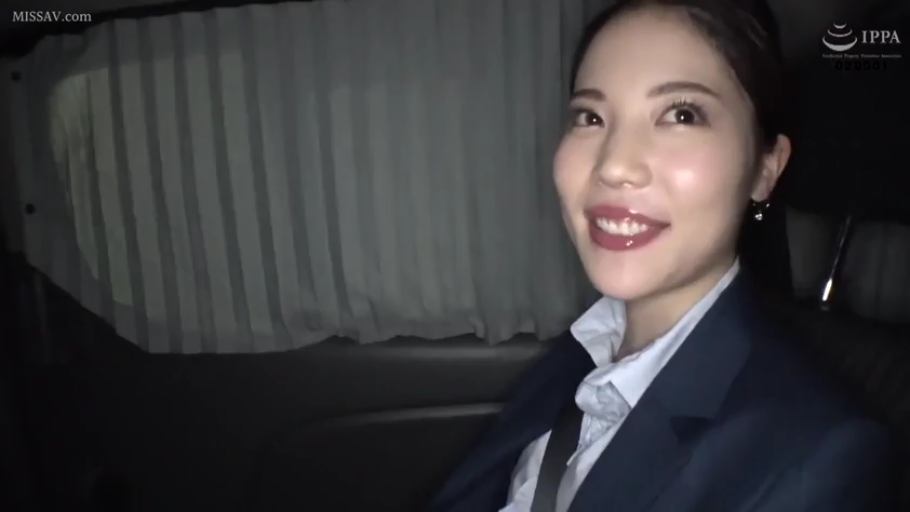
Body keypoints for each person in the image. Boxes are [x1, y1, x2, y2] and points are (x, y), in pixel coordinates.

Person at [426, 0, 900, 511]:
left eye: (682, 114)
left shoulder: (816, 462)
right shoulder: (587, 347)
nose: (615, 165)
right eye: (590, 116)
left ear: (766, 168)